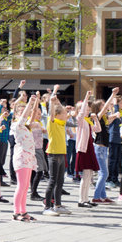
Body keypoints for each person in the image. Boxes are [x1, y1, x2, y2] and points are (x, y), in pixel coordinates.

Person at [11, 93, 39, 221]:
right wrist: (29, 103)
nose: (24, 114)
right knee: (21, 185)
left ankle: (23, 211)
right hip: (21, 157)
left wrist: (36, 101)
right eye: (20, 112)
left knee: (26, 186)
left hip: (29, 157)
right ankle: (16, 212)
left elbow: (32, 114)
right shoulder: (16, 125)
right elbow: (24, 116)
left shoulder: (26, 126)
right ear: (15, 114)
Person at [43, 84, 70, 216]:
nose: (67, 115)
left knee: (60, 181)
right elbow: (51, 113)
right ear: (58, 115)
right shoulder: (52, 122)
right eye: (64, 113)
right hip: (53, 154)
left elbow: (61, 110)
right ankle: (47, 207)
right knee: (52, 181)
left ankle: (57, 205)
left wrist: (56, 98)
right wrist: (53, 102)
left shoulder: (62, 123)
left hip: (61, 153)